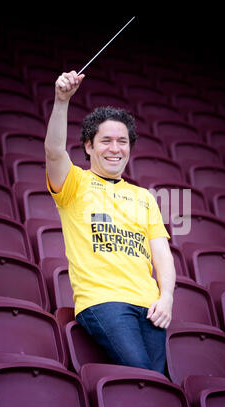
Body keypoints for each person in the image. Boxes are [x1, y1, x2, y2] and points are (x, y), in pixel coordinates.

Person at [44, 71, 176, 374]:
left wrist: (166, 297)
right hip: (103, 301)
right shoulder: (75, 182)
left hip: (150, 308)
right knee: (144, 374)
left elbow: (163, 257)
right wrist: (62, 101)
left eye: (122, 141)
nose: (115, 148)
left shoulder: (144, 197)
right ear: (89, 146)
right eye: (105, 141)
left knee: (157, 384)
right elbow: (53, 151)